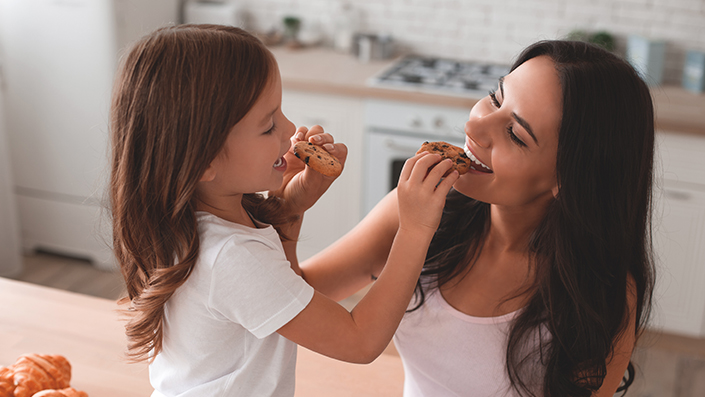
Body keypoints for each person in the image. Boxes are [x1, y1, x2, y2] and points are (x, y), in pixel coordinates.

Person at [108, 24, 459, 396]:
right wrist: (416, 227)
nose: (290, 129)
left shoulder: (194, 222)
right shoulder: (231, 256)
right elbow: (360, 341)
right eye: (268, 125)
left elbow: (286, 290)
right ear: (203, 161)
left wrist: (290, 207)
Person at [295, 40, 656, 396]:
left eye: (515, 134)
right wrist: (289, 207)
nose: (474, 128)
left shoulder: (601, 295)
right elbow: (287, 298)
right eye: (495, 98)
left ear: (570, 178)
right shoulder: (420, 216)